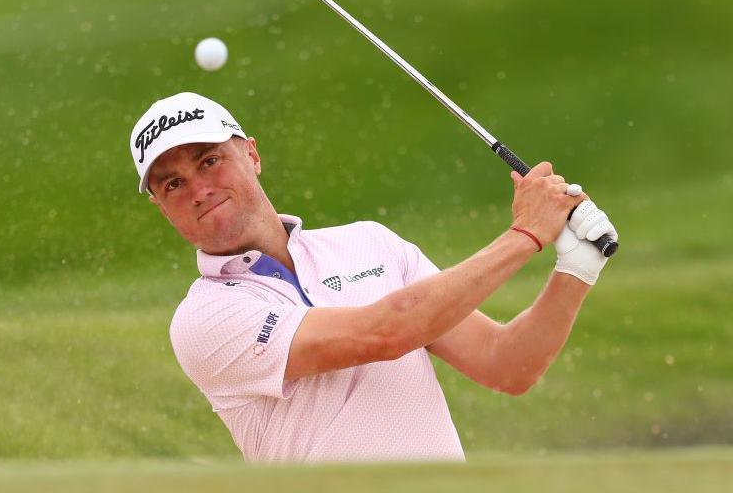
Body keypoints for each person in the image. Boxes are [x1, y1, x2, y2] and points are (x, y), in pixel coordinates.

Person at [129, 92, 617, 464]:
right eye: (172, 184)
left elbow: (507, 365)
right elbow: (385, 333)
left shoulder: (370, 244)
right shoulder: (204, 318)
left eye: (209, 161)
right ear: (160, 206)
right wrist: (526, 233)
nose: (198, 189)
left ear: (252, 155)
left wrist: (576, 268)